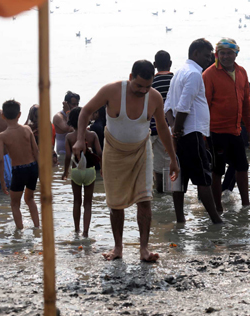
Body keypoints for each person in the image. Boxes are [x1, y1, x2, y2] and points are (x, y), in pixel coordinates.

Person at [73, 60, 179, 262]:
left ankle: (144, 249)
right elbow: (85, 112)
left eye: (148, 86)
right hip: (113, 150)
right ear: (130, 77)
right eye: (138, 85)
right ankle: (118, 247)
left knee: (145, 200)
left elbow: (163, 128)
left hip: (141, 150)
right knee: (116, 204)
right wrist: (80, 138)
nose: (143, 90)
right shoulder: (111, 91)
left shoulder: (154, 97)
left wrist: (173, 158)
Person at [164, 38, 223, 224]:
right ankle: (216, 220)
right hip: (192, 133)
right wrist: (178, 129)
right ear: (195, 53)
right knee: (203, 178)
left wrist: (173, 128)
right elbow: (183, 106)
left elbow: (167, 107)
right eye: (207, 56)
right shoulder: (194, 74)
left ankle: (180, 220)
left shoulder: (179, 73)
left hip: (181, 133)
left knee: (179, 179)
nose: (209, 60)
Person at [203, 38, 250, 213]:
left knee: (242, 167)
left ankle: (246, 204)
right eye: (222, 53)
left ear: (236, 54)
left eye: (229, 53)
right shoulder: (209, 74)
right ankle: (218, 207)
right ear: (217, 54)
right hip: (216, 131)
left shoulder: (241, 72)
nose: (225, 56)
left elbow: (247, 102)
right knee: (217, 170)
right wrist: (204, 134)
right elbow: (204, 106)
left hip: (236, 130)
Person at [0, 100, 40, 229]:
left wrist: (2, 182)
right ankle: (37, 227)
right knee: (30, 199)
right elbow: (36, 151)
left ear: (3, 115)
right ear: (19, 115)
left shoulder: (2, 136)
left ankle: (20, 230)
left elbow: (0, 160)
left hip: (18, 170)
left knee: (15, 204)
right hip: (32, 167)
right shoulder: (27, 129)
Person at [62, 107, 101, 237]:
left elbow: (68, 156)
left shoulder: (69, 137)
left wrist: (65, 172)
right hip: (89, 171)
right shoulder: (93, 135)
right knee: (88, 203)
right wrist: (102, 169)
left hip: (76, 171)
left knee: (76, 202)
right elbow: (100, 153)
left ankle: (77, 230)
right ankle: (85, 232)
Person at [151, 50, 174, 193]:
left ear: (154, 65)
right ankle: (172, 196)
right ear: (170, 64)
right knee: (172, 163)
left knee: (158, 168)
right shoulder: (176, 79)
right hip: (172, 128)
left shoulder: (150, 81)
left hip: (154, 129)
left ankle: (160, 197)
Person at [53, 91, 79, 156]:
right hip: (62, 153)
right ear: (66, 104)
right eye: (73, 104)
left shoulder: (75, 116)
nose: (75, 107)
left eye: (77, 104)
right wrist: (68, 111)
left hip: (74, 152)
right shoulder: (58, 116)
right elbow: (69, 128)